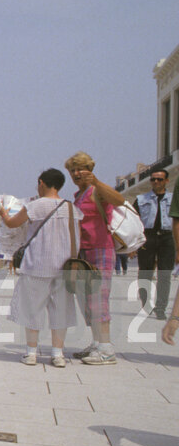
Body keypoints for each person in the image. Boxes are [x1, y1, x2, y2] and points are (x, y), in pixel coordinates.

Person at [0, 168, 83, 367]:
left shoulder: (35, 206)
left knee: (32, 309)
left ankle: (31, 353)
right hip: (64, 266)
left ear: (41, 182)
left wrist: (3, 213)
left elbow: (12, 223)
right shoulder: (71, 208)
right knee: (60, 310)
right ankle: (58, 354)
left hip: (37, 264)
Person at [65, 152, 128, 365]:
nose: (76, 174)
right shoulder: (78, 195)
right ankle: (96, 343)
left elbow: (119, 200)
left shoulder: (96, 190)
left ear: (90, 169)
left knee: (99, 299)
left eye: (80, 169)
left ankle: (107, 348)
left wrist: (98, 182)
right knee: (86, 301)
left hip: (101, 249)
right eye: (72, 170)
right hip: (85, 252)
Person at [133, 170, 174, 320]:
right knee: (145, 272)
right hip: (147, 237)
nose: (156, 182)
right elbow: (133, 220)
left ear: (166, 181)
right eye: (153, 179)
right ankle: (146, 305)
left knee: (164, 274)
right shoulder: (141, 199)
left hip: (167, 238)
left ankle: (161, 308)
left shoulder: (174, 199)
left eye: (159, 179)